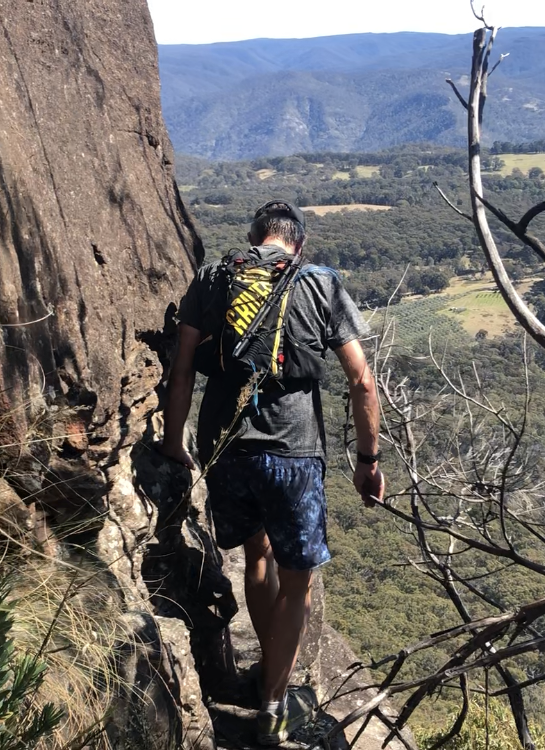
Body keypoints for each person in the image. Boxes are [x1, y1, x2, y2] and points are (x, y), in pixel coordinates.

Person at [160, 200, 385, 745]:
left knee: (256, 555)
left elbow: (183, 367)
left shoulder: (213, 278)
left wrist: (173, 440)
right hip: (292, 452)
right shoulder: (319, 283)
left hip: (225, 446)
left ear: (255, 237)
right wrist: (368, 461)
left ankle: (269, 674)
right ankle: (275, 703)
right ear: (297, 245)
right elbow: (362, 382)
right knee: (299, 577)